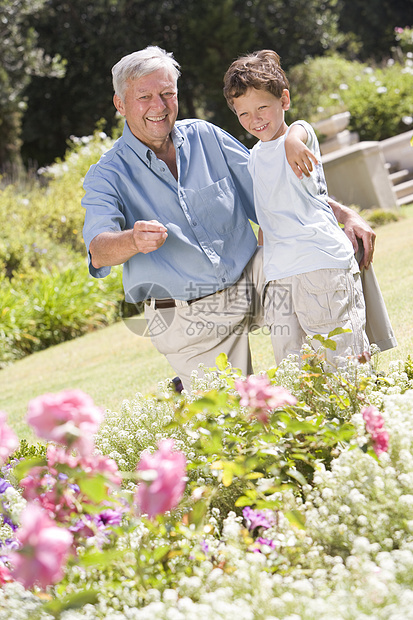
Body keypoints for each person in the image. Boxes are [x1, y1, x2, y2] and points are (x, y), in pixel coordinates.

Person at [82, 46, 395, 389]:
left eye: (167, 93)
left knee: (331, 246)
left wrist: (346, 214)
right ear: (120, 104)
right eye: (144, 97)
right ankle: (191, 388)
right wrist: (131, 240)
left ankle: (360, 366)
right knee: (232, 422)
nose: (159, 106)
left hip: (251, 279)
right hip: (188, 311)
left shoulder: (205, 136)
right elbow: (99, 250)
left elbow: (274, 187)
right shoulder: (107, 175)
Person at [223, 49, 372, 365]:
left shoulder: (299, 135)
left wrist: (292, 139)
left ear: (284, 101)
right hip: (280, 273)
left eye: (263, 106)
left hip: (319, 265)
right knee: (295, 368)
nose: (256, 119)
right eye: (244, 114)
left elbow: (300, 133)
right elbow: (272, 204)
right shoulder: (254, 157)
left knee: (342, 359)